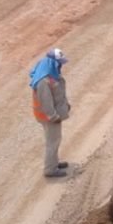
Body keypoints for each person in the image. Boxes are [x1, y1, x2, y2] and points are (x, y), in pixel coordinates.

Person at [30, 48, 71, 178]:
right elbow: (46, 101)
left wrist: (66, 105)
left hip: (50, 116)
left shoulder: (51, 75)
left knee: (54, 140)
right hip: (48, 117)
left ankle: (54, 162)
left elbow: (58, 94)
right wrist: (53, 116)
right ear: (53, 63)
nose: (61, 66)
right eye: (59, 63)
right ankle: (50, 169)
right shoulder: (44, 81)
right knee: (52, 142)